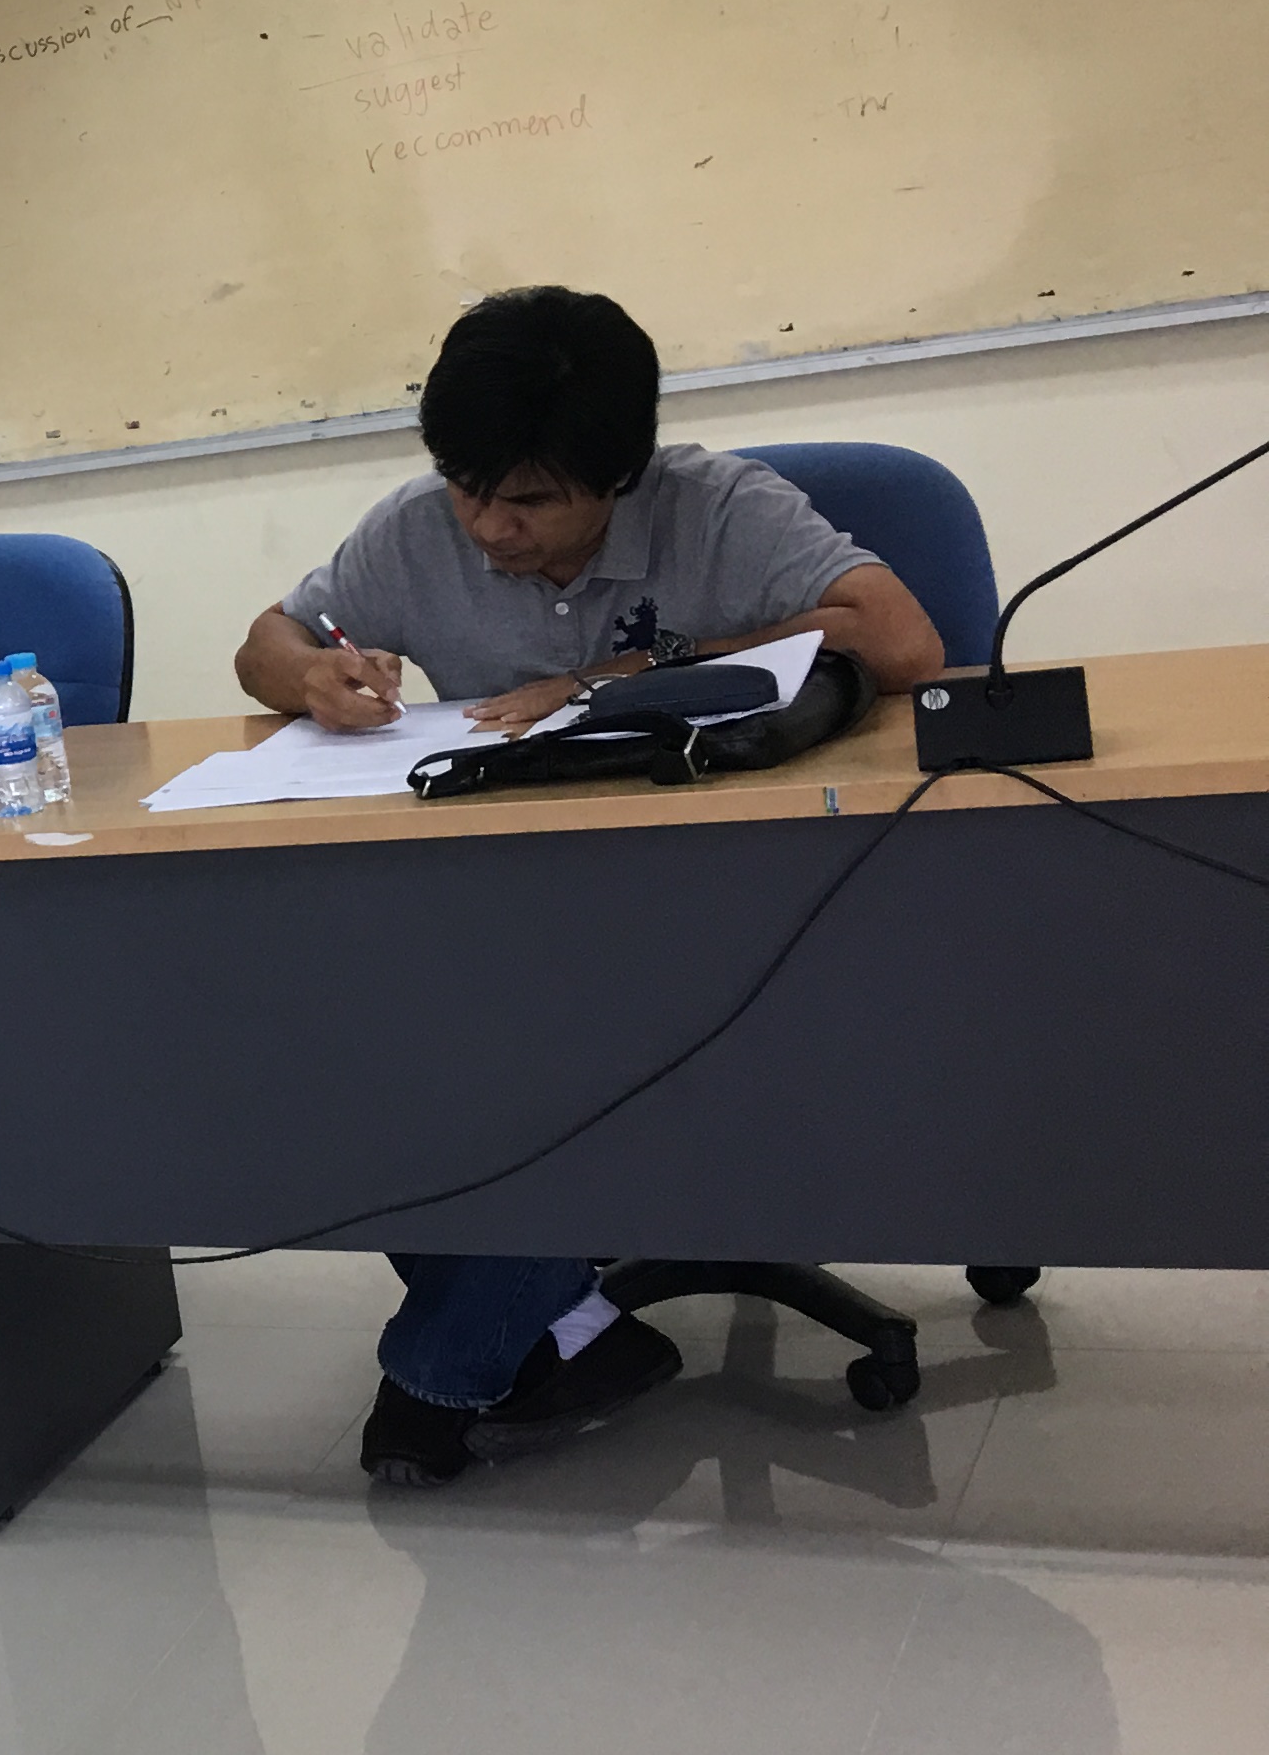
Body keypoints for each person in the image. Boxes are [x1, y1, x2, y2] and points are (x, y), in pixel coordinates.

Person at [229, 285, 947, 1486]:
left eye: (527, 500)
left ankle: (447, 1373)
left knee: (513, 1047)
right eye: (465, 486)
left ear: (618, 477)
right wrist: (310, 676)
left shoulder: (721, 509)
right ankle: (573, 1329)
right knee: (334, 1027)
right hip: (504, 910)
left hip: (727, 909)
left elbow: (904, 640)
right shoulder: (418, 527)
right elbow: (265, 642)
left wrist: (624, 670)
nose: (486, 526)